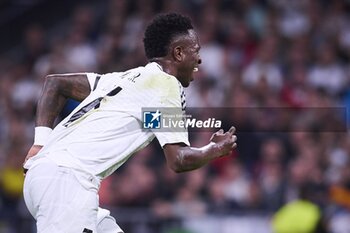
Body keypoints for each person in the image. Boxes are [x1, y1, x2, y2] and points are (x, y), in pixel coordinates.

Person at [23, 13, 237, 233]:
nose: (199, 59)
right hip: (66, 183)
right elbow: (178, 160)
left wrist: (40, 142)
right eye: (196, 51)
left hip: (45, 178)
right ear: (179, 53)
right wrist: (215, 149)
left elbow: (55, 84)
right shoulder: (166, 84)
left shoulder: (122, 79)